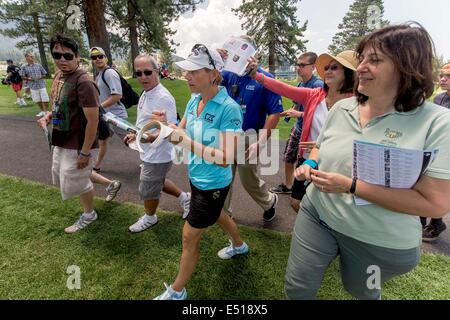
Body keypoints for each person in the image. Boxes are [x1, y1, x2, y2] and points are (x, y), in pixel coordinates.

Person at [282, 23, 450, 300]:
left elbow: (435, 203)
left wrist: (351, 186)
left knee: (362, 291)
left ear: (407, 67)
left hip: (377, 240)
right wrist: (310, 165)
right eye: (362, 59)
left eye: (375, 60)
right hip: (318, 214)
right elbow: (321, 147)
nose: (360, 67)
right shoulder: (342, 108)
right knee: (298, 288)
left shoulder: (437, 123)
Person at [153, 44, 248, 300]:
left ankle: (177, 291)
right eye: (187, 71)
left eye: (195, 71)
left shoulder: (229, 109)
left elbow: (225, 158)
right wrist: (165, 127)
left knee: (188, 238)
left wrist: (184, 142)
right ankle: (240, 245)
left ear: (213, 74)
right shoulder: (195, 99)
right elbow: (181, 130)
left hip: (214, 182)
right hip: (197, 177)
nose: (188, 77)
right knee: (217, 215)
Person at [248, 50, 358, 212]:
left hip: (336, 165)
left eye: (334, 68)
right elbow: (283, 88)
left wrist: (322, 145)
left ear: (348, 74)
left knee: (329, 208)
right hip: (307, 160)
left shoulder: (357, 102)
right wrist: (257, 75)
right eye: (327, 67)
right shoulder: (314, 95)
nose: (328, 71)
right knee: (295, 202)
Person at [37, 34, 101, 233]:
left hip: (78, 142)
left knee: (75, 178)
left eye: (67, 55)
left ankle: (89, 214)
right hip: (61, 138)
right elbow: (59, 104)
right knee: (65, 174)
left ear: (77, 56)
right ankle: (104, 187)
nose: (62, 60)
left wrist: (85, 152)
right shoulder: (58, 75)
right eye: (57, 55)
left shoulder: (84, 83)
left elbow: (93, 120)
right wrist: (49, 116)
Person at [123, 54, 191, 232]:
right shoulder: (147, 92)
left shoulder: (162, 97)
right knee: (157, 181)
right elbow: (145, 122)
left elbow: (169, 129)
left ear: (157, 72)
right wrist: (135, 134)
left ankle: (150, 217)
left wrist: (146, 137)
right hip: (148, 150)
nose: (143, 77)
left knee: (148, 188)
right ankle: (185, 198)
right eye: (138, 73)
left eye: (147, 72)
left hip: (158, 153)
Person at [219, 35, 283, 222]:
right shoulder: (227, 74)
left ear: (252, 54)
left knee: (249, 180)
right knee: (224, 177)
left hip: (250, 137)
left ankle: (269, 202)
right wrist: (216, 59)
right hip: (227, 135)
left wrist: (260, 142)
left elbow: (275, 113)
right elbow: (206, 84)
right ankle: (223, 215)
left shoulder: (265, 79)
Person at [270, 52, 323, 195]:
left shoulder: (318, 85)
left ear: (313, 67)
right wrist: (277, 115)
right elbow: (296, 106)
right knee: (288, 158)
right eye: (297, 64)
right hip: (298, 128)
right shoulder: (301, 83)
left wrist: (299, 115)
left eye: (302, 65)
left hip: (310, 133)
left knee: (306, 162)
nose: (298, 68)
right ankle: (288, 186)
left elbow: (322, 115)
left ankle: (307, 191)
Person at [420, 63, 450, 241]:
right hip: (436, 147)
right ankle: (426, 221)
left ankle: (436, 222)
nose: (443, 79)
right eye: (442, 75)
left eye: (449, 77)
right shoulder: (439, 99)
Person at [89, 47, 128, 172]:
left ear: (105, 57)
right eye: (94, 57)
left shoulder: (110, 73)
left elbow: (117, 96)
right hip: (105, 116)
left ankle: (148, 160)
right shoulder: (99, 74)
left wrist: (99, 107)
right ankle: (96, 166)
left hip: (117, 116)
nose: (98, 59)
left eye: (100, 56)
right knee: (102, 141)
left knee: (130, 141)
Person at [20, 52, 49, 117]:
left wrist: (40, 77)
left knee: (45, 99)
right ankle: (42, 111)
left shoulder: (38, 65)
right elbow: (22, 76)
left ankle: (46, 111)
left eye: (32, 56)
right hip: (33, 86)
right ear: (26, 58)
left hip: (41, 85)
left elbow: (44, 74)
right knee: (37, 100)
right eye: (31, 56)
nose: (32, 57)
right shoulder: (24, 67)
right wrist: (28, 78)